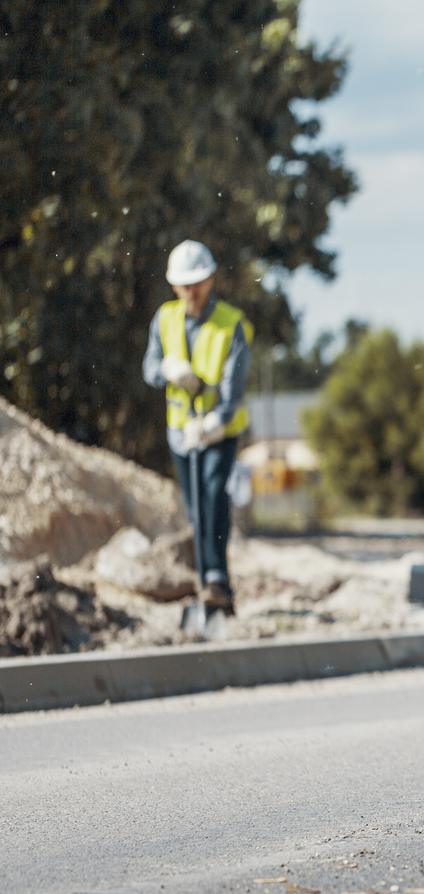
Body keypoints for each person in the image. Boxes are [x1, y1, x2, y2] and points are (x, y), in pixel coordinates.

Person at [141, 240, 251, 616]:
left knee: (213, 493)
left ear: (211, 279)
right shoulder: (165, 318)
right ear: (174, 285)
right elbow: (150, 368)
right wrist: (168, 370)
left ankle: (216, 579)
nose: (192, 290)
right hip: (180, 431)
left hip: (219, 429)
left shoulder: (231, 324)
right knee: (195, 506)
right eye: (185, 284)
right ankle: (210, 585)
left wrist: (212, 424)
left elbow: (233, 390)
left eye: (198, 282)